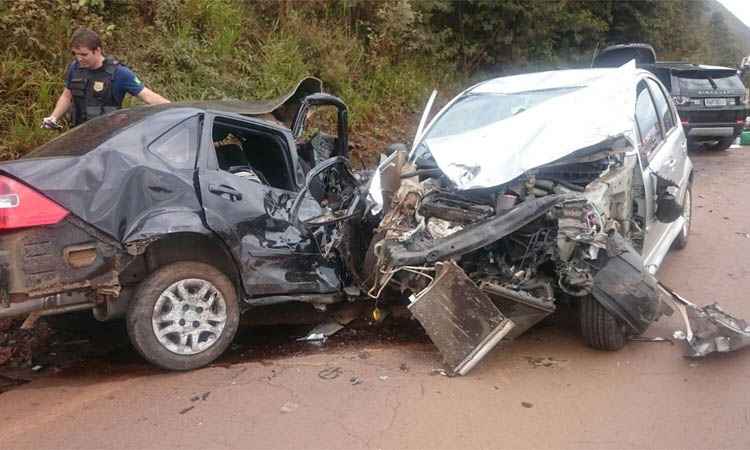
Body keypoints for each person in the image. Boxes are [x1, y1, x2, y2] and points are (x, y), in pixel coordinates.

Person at [42, 28, 169, 128]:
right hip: (78, 135)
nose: (79, 58)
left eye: (83, 54)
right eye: (75, 54)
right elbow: (67, 96)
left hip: (107, 139)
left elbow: (148, 96)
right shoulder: (75, 68)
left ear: (97, 50)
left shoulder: (120, 73)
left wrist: (178, 110)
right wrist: (53, 117)